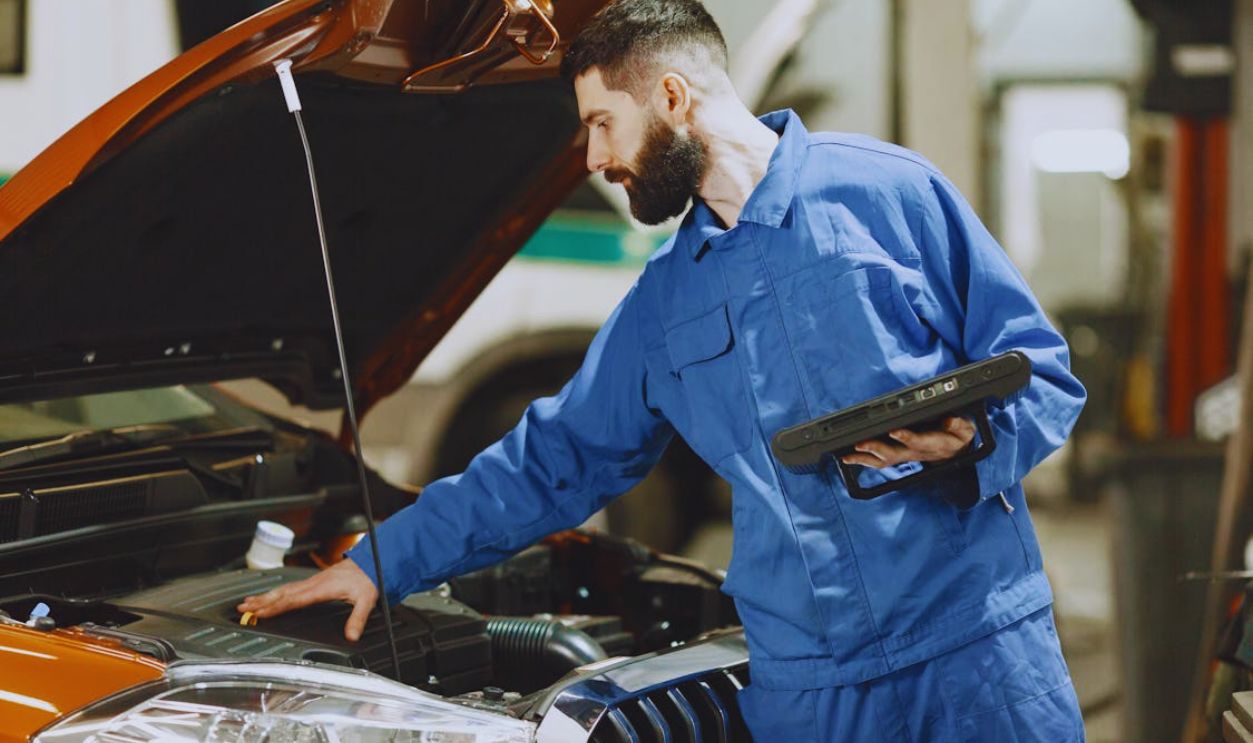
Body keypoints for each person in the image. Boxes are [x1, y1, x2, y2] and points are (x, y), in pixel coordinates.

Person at [239, 0, 1088, 738]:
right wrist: (378, 563)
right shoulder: (661, 304)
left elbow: (1042, 375)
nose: (592, 158)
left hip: (973, 650)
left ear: (673, 98)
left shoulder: (889, 196)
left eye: (601, 123)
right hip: (814, 686)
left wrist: (971, 440)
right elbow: (552, 460)